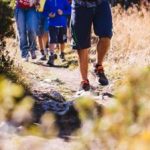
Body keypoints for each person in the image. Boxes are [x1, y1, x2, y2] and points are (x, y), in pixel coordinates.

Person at [71, 0, 113, 91]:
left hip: (101, 3)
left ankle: (98, 67)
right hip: (80, 5)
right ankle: (84, 81)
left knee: (106, 36)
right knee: (81, 44)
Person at [45, 0, 71, 66]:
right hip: (52, 24)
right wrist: (49, 14)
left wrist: (63, 12)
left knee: (62, 40)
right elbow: (44, 11)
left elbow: (70, 10)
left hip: (63, 24)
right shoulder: (48, 1)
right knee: (52, 40)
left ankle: (62, 54)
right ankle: (51, 57)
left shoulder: (64, 1)